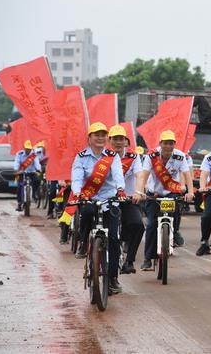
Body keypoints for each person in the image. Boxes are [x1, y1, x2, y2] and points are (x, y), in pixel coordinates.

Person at [69, 122, 126, 294]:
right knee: (86, 212)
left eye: (103, 134)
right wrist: (78, 192)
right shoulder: (80, 157)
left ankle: (113, 277)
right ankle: (83, 241)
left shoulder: (112, 156)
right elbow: (77, 177)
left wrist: (121, 190)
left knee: (115, 240)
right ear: (90, 138)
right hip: (90, 198)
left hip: (110, 201)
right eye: (96, 134)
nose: (100, 137)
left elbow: (117, 174)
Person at [133, 130, 195, 271]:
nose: (168, 146)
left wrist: (190, 192)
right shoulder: (152, 155)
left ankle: (175, 231)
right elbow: (144, 175)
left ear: (174, 144)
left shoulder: (180, 156)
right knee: (151, 225)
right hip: (154, 194)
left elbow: (186, 174)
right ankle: (148, 259)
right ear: (160, 143)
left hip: (172, 192)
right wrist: (140, 191)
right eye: (166, 143)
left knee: (177, 208)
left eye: (171, 143)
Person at [108, 125, 145, 274]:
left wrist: (138, 192)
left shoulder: (133, 157)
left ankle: (129, 261)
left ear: (126, 141)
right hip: (109, 199)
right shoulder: (104, 156)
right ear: (109, 140)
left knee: (138, 225)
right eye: (115, 139)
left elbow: (140, 175)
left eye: (121, 139)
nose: (118, 142)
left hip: (129, 198)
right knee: (108, 233)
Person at [13, 140, 42, 211]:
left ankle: (34, 194)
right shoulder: (19, 154)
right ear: (24, 148)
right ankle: (19, 203)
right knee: (20, 187)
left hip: (31, 172)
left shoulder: (34, 155)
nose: (28, 150)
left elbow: (37, 163)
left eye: (29, 149)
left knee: (37, 181)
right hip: (22, 173)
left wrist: (38, 169)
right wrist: (16, 170)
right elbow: (16, 162)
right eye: (27, 149)